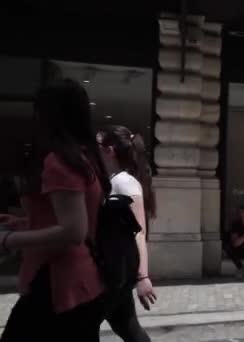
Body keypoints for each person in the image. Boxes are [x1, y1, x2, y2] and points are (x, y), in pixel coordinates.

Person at [0, 79, 108, 341]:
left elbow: (73, 231)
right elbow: (71, 219)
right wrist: (25, 222)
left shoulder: (59, 160)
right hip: (81, 280)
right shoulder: (85, 157)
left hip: (58, 282)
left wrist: (7, 240)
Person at [97, 125, 157, 342]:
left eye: (99, 147)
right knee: (129, 328)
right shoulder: (116, 180)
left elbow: (139, 233)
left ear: (110, 150)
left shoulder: (124, 182)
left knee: (82, 327)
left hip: (116, 272)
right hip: (115, 269)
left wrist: (143, 277)